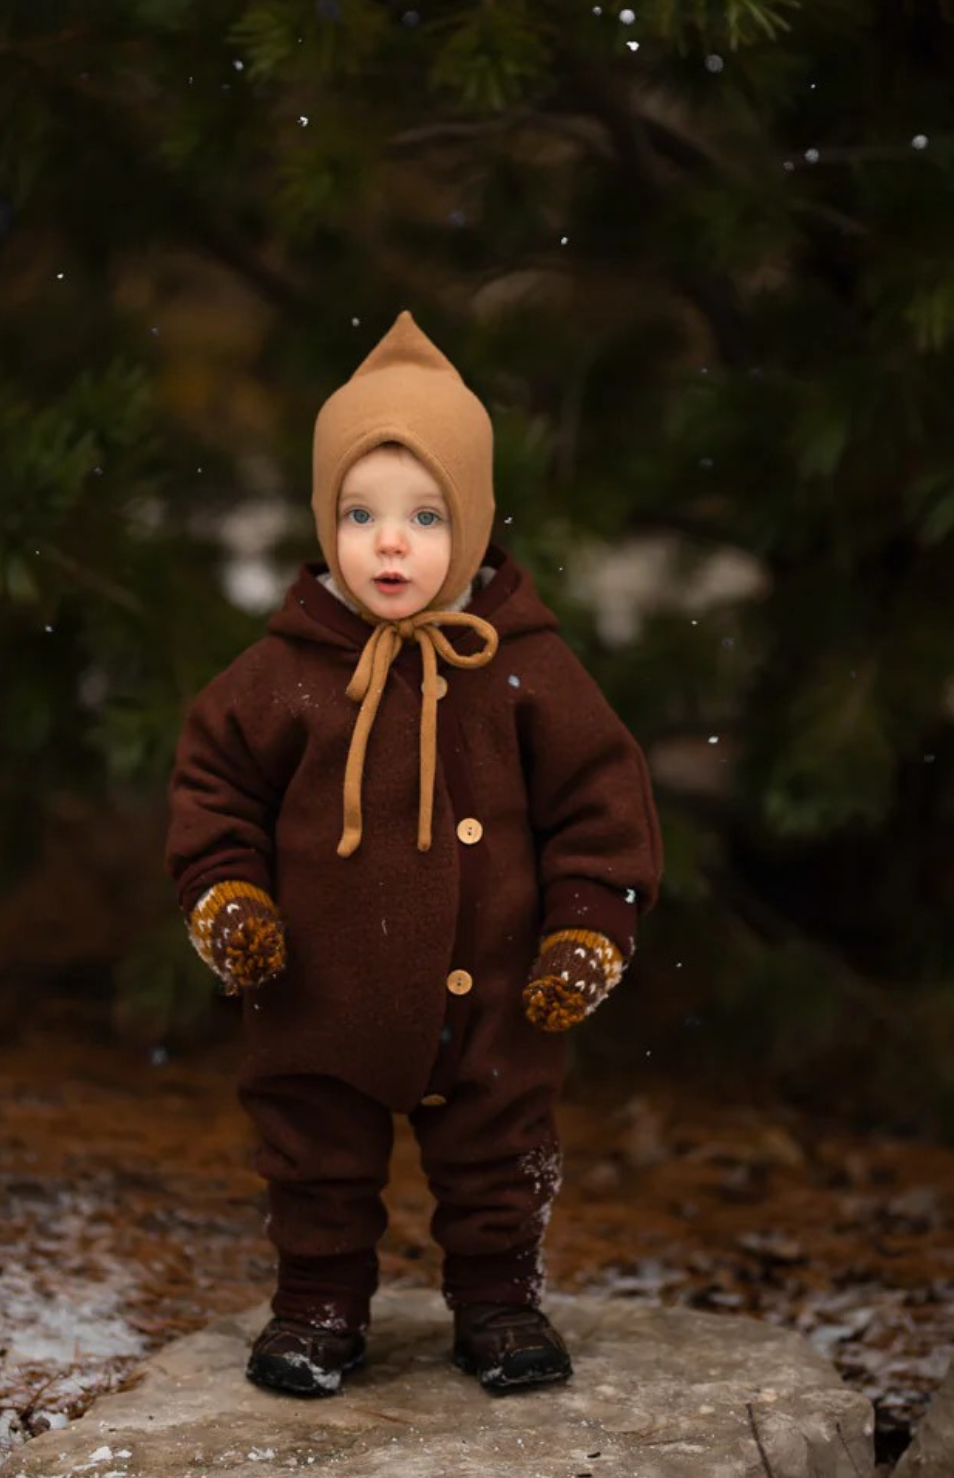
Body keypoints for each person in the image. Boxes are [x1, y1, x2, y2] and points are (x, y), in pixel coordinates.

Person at [164, 311, 662, 1398]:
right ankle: (318, 1304)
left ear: (473, 523)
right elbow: (213, 789)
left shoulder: (523, 664)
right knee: (314, 1152)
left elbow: (602, 803)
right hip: (318, 988)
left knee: (499, 1149)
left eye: (426, 515)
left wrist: (588, 927)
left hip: (490, 989)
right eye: (361, 513)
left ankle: (499, 1300)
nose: (390, 543)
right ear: (324, 522)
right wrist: (228, 895)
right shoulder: (284, 672)